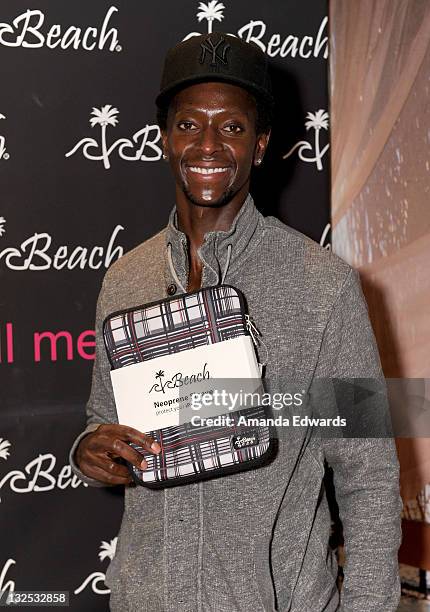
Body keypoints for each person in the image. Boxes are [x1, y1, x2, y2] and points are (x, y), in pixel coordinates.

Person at [69, 33, 402, 611]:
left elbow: (368, 471)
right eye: (189, 124)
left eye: (232, 127)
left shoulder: (326, 285)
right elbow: (104, 421)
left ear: (261, 144)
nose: (209, 145)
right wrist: (89, 451)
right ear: (163, 140)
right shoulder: (125, 279)